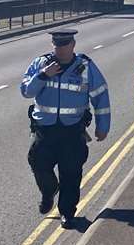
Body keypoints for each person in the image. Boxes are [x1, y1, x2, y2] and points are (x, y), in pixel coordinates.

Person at [20, 30, 111, 229]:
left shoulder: (85, 66)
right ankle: (49, 191)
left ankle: (67, 213)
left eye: (64, 45)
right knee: (38, 163)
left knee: (71, 173)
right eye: (57, 45)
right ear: (53, 45)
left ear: (73, 45)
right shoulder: (41, 64)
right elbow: (26, 91)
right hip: (45, 129)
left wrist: (103, 126)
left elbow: (100, 95)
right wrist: (43, 75)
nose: (60, 49)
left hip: (72, 131)